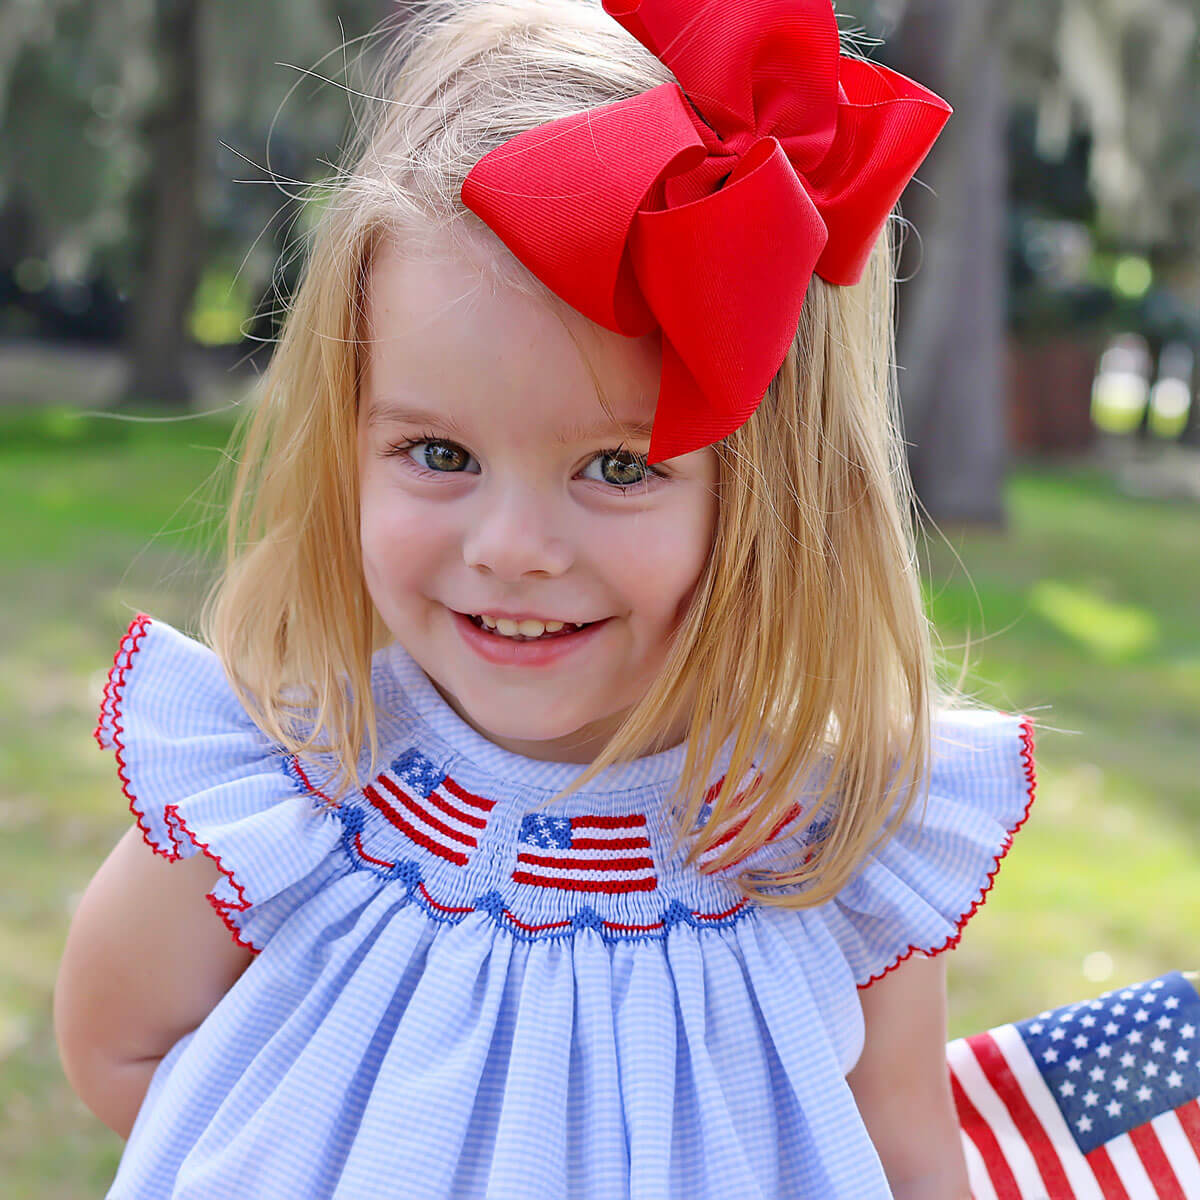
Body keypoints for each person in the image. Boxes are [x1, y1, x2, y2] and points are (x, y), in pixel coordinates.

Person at [53, 1, 1038, 1196]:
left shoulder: (820, 839)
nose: (514, 547)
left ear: (780, 497)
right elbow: (121, 1044)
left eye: (618, 468)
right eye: (439, 454)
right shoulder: (297, 780)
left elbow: (906, 1164)